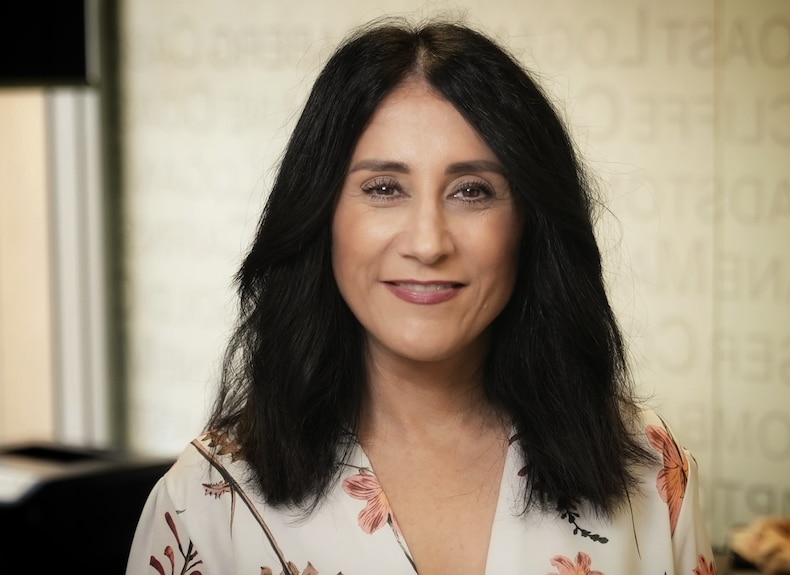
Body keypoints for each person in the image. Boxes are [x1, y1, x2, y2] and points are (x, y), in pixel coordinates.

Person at [125, 17, 715, 575]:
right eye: (384, 188)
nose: (429, 242)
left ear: (528, 224)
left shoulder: (650, 469)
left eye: (472, 191)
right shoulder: (205, 502)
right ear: (321, 215)